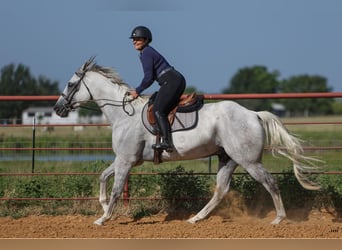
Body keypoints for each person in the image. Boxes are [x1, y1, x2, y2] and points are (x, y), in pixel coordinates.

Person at [128, 26, 186, 152]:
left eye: (137, 39)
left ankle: (167, 142)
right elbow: (152, 77)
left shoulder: (146, 53)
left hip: (171, 81)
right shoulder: (147, 52)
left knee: (157, 110)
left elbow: (148, 78)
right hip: (174, 80)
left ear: (146, 39)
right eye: (133, 39)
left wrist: (137, 91)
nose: (134, 41)